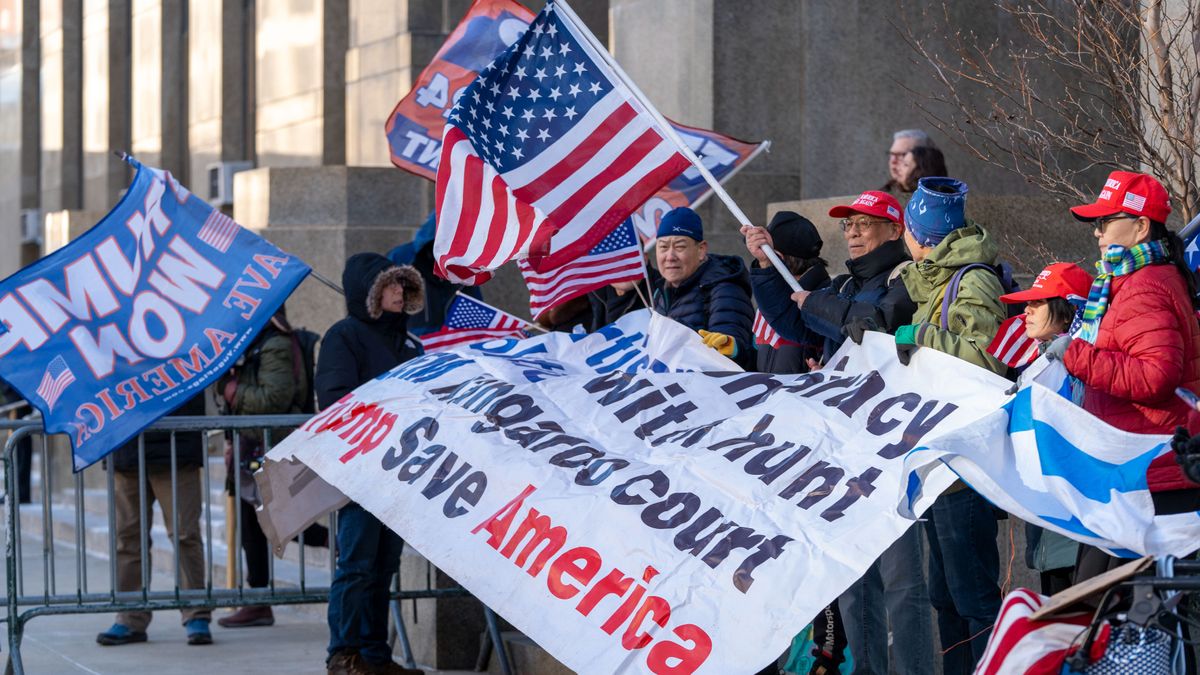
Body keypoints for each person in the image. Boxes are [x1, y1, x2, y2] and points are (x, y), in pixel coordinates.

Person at [745, 192, 931, 675]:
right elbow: (791, 320)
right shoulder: (844, 283)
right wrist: (766, 267)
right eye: (847, 226)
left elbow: (875, 325)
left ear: (895, 231)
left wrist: (820, 306)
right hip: (843, 453)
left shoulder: (903, 279)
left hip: (892, 455)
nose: (851, 233)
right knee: (853, 579)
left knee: (903, 582)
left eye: (864, 225)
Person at [1046, 171, 1200, 580]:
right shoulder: (1134, 279)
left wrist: (1076, 355)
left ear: (1141, 226)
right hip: (1138, 471)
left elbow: (1155, 377)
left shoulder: (1144, 286)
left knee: (1106, 608)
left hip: (1150, 478)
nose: (1097, 233)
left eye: (1105, 222)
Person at [893, 176, 1006, 675]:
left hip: (965, 465)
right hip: (934, 460)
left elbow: (985, 359)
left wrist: (920, 335)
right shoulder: (928, 280)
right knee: (944, 596)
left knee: (974, 597)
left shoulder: (973, 279)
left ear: (918, 233)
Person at [318, 252, 426, 675]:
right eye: (390, 285)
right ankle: (343, 654)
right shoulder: (343, 336)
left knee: (384, 567)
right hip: (362, 468)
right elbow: (334, 400)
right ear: (370, 292)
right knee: (357, 565)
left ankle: (375, 655)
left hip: (401, 469)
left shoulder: (408, 341)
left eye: (402, 284)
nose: (399, 291)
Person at [997, 262, 1093, 594]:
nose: (1027, 309)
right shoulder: (1042, 361)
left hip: (1072, 519)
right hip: (1048, 518)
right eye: (1028, 302)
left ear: (1068, 313)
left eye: (1038, 303)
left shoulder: (1079, 363)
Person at [214, 306, 307, 629]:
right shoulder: (253, 343)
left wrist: (232, 389)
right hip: (251, 446)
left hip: (270, 447)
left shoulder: (275, 344)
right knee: (256, 526)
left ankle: (336, 549)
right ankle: (258, 601)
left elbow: (274, 399)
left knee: (284, 521)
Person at [96, 392, 214, 647]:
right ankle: (130, 617)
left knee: (185, 534)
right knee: (127, 538)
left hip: (175, 445)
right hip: (125, 444)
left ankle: (196, 613)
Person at [652, 207, 755, 368]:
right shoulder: (661, 292)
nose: (670, 257)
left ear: (701, 250)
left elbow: (733, 357)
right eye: (663, 247)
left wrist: (731, 347)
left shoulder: (725, 289)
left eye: (679, 247)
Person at [752, 211, 828, 375]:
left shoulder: (825, 298)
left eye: (765, 255)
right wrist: (734, 350)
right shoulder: (770, 297)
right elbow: (758, 361)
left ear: (777, 257)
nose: (762, 261)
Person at [883, 129, 935, 195]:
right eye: (891, 154)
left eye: (902, 155)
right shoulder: (879, 198)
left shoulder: (943, 198)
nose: (893, 161)